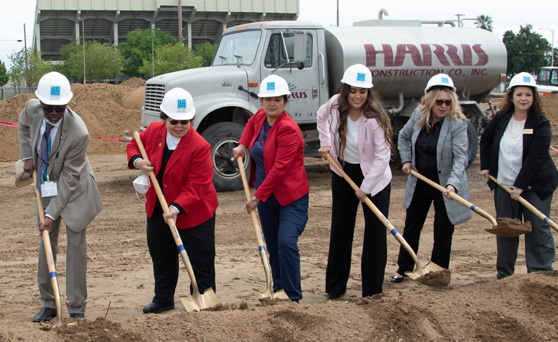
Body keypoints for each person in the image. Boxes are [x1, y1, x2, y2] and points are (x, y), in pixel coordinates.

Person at [18, 71, 103, 322]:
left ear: (68, 104)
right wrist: (27, 156)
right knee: (46, 240)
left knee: (75, 246)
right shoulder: (32, 109)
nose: (54, 112)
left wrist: (52, 213)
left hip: (75, 188)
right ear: (40, 102)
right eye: (49, 107)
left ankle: (76, 305)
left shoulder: (79, 133)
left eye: (60, 108)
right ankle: (49, 302)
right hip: (44, 184)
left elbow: (69, 178)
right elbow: (23, 126)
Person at [127, 87, 218, 313]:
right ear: (164, 118)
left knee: (200, 259)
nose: (179, 126)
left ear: (192, 119)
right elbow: (133, 145)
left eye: (185, 121)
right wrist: (138, 161)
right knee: (162, 256)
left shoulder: (199, 146)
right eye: (173, 121)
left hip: (194, 212)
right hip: (159, 208)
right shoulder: (154, 131)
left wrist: (177, 207)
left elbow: (198, 184)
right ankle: (163, 299)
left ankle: (203, 297)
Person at [317, 64, 393, 298]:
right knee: (341, 229)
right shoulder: (334, 104)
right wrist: (326, 141)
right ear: (346, 90)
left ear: (369, 93)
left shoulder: (376, 118)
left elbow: (383, 157)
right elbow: (320, 117)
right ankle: (335, 288)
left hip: (375, 178)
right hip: (343, 172)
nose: (357, 96)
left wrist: (365, 188)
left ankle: (372, 290)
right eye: (353, 90)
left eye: (363, 91)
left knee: (375, 232)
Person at [232, 75, 309, 302]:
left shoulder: (289, 130)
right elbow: (249, 125)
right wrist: (243, 145)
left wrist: (257, 197)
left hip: (290, 197)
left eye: (277, 99)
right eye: (267, 99)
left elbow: (280, 169)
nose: (271, 103)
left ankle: (293, 296)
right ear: (261, 101)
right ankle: (278, 290)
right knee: (273, 245)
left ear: (286, 101)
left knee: (286, 241)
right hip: (268, 197)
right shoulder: (261, 117)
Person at [391, 73, 471, 283]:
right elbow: (403, 136)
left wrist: (453, 184)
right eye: (439, 101)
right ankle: (404, 268)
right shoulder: (419, 115)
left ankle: (438, 271)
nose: (443, 106)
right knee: (412, 225)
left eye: (447, 102)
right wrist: (406, 160)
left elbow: (461, 158)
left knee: (443, 229)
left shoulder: (457, 123)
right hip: (420, 180)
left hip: (446, 184)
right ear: (429, 100)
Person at [480, 72, 557, 279]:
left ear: (534, 98)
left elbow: (536, 157)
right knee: (507, 229)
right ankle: (505, 275)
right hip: (504, 184)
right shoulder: (501, 119)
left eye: (528, 95)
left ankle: (540, 273)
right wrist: (486, 166)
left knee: (537, 227)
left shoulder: (541, 123)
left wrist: (521, 186)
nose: (524, 98)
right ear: (511, 96)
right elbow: (485, 141)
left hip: (535, 185)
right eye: (519, 94)